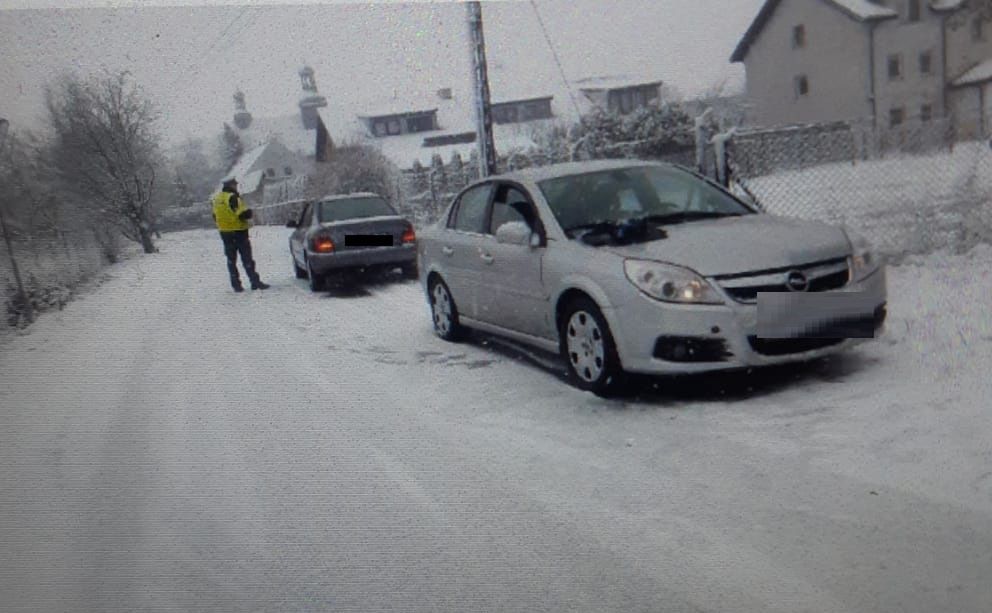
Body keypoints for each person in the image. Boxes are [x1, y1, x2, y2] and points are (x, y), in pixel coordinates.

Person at [211, 177, 269, 292]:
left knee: (231, 260)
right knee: (247, 258)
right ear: (232, 185)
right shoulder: (232, 197)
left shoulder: (216, 199)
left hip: (225, 233)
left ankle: (236, 285)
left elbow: (214, 216)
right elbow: (242, 214)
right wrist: (250, 212)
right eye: (235, 185)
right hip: (238, 232)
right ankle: (255, 282)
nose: (236, 186)